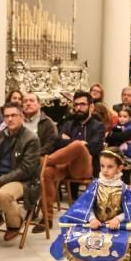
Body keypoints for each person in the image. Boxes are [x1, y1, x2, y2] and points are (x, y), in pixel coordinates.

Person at [49, 149, 131, 261]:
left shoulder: (124, 189)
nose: (105, 170)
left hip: (116, 228)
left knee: (118, 243)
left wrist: (118, 219)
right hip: (95, 226)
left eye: (110, 166)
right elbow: (84, 205)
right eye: (102, 166)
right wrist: (92, 218)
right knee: (85, 240)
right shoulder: (95, 185)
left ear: (120, 168)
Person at [37, 90, 106, 230]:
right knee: (47, 173)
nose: (78, 108)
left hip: (84, 168)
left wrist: (75, 144)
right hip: (63, 166)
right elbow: (57, 142)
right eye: (76, 105)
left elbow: (94, 148)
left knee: (78, 147)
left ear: (91, 107)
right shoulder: (68, 123)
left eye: (82, 104)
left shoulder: (98, 126)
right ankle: (46, 218)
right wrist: (80, 143)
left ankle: (42, 161)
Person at [0, 103, 41, 241]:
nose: (10, 119)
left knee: (3, 195)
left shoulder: (31, 138)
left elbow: (26, 169)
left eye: (13, 115)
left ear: (22, 117)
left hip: (23, 180)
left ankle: (15, 223)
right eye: (6, 116)